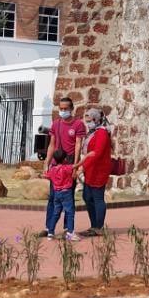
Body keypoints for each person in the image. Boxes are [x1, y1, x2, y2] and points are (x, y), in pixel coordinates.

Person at [43, 97, 85, 237]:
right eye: (61, 108)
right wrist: (47, 163)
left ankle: (68, 228)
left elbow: (78, 144)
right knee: (53, 197)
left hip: (69, 163)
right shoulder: (56, 124)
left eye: (65, 109)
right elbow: (52, 144)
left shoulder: (78, 124)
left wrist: (75, 166)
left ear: (71, 109)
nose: (63, 111)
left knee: (68, 197)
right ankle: (49, 228)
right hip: (56, 164)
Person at [77, 109, 111, 237]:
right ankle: (94, 225)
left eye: (90, 121)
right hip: (91, 169)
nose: (88, 123)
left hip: (98, 169)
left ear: (96, 120)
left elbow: (97, 153)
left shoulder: (101, 133)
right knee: (87, 197)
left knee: (97, 197)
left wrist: (82, 166)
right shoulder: (93, 132)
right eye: (87, 121)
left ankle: (98, 226)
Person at [43, 149, 80, 241]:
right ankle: (70, 233)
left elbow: (46, 175)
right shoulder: (66, 168)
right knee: (70, 212)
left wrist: (46, 167)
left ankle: (50, 232)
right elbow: (77, 165)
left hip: (57, 193)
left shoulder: (52, 170)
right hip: (66, 193)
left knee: (56, 213)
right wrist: (86, 157)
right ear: (65, 159)